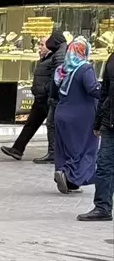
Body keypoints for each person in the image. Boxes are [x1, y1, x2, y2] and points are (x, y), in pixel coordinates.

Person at [51, 37, 102, 195]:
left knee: (65, 148)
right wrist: (106, 91)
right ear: (84, 51)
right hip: (81, 117)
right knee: (84, 148)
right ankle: (68, 174)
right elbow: (92, 89)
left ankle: (69, 180)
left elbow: (53, 93)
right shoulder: (85, 68)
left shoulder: (62, 69)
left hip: (61, 113)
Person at [2, 32, 63, 161]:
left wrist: (46, 90)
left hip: (47, 97)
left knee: (51, 125)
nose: (39, 47)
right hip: (41, 97)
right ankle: (18, 149)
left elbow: (55, 77)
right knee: (31, 124)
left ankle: (53, 153)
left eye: (42, 44)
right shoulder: (47, 57)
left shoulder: (56, 57)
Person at [79, 57, 113, 221]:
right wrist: (98, 121)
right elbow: (105, 91)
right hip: (110, 123)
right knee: (104, 165)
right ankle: (102, 207)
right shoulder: (112, 59)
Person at [35, 31, 70, 164]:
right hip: (55, 95)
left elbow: (58, 76)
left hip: (56, 97)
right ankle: (55, 152)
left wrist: (50, 91)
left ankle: (53, 153)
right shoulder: (60, 51)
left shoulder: (60, 53)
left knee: (52, 124)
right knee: (51, 123)